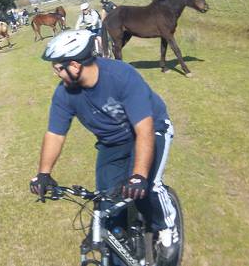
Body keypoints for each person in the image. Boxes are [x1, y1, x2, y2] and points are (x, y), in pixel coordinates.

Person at [29, 29, 179, 264]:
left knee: (148, 186)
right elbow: (55, 134)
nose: (55, 73)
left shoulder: (121, 76)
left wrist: (139, 175)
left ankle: (167, 229)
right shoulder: (64, 94)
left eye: (58, 67)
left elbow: (145, 129)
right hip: (112, 143)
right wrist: (43, 173)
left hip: (151, 129)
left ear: (75, 66)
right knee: (107, 204)